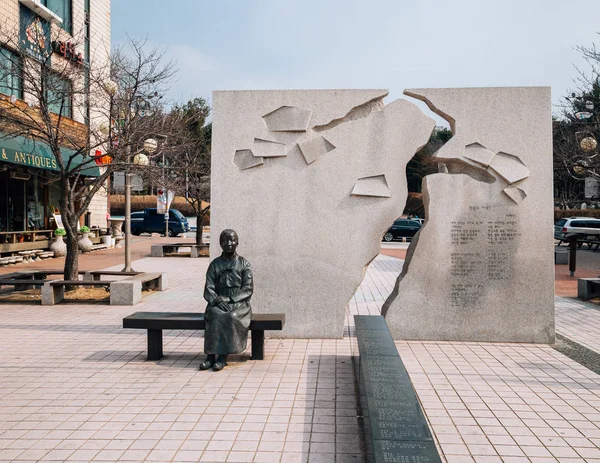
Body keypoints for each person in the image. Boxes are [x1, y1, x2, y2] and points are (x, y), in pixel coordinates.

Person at [199, 229, 253, 371]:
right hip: (218, 300)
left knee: (230, 316)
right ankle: (210, 356)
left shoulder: (244, 264)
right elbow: (208, 288)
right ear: (220, 244)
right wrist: (217, 300)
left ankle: (222, 356)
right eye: (225, 241)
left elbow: (248, 289)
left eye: (232, 240)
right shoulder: (215, 264)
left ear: (237, 242)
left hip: (238, 303)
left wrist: (230, 299)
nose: (229, 243)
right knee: (213, 314)